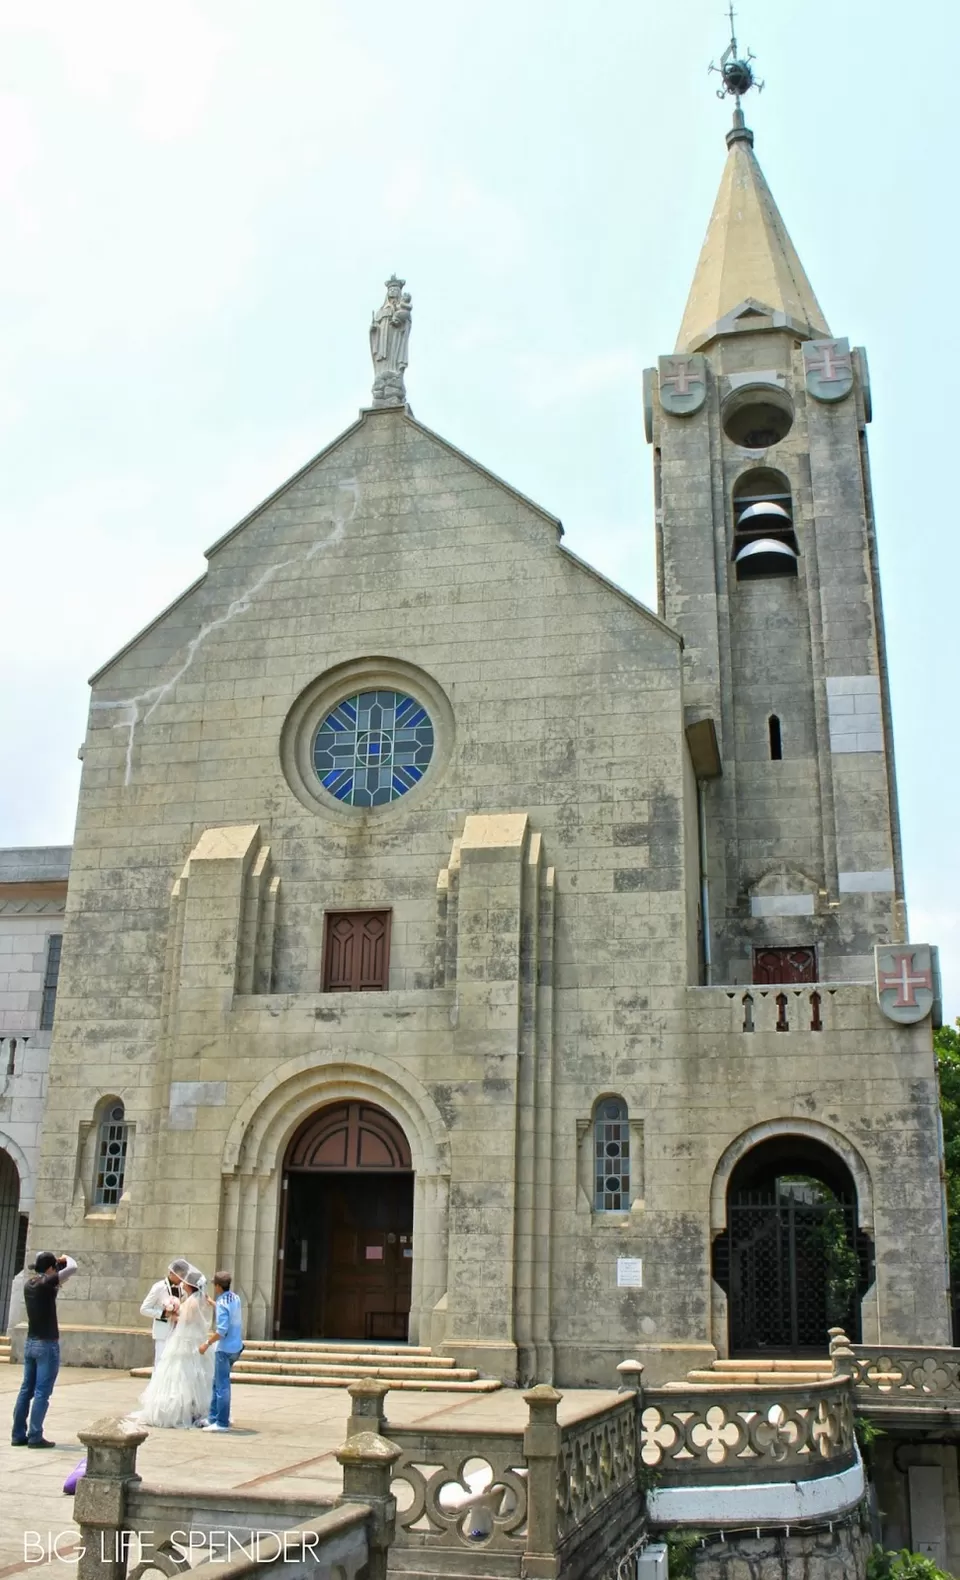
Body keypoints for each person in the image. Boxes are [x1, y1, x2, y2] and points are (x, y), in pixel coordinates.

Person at [133, 1267, 214, 1429]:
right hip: (186, 1338)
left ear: (190, 1285)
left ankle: (179, 1411)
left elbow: (187, 1319)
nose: (183, 1282)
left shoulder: (191, 1301)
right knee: (185, 1373)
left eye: (186, 1280)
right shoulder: (195, 1298)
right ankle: (191, 1408)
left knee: (179, 1374)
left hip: (184, 1340)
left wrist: (173, 1312)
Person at [11, 1250, 77, 1448]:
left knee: (26, 1390)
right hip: (46, 1344)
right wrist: (64, 1259)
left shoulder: (29, 1284)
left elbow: (54, 1281)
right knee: (42, 1392)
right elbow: (73, 1267)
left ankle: (18, 1434)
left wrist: (53, 1265)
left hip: (31, 1342)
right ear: (50, 1268)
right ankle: (35, 1436)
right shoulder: (47, 1283)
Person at [200, 1270, 244, 1432]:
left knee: (222, 1386)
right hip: (236, 1346)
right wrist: (212, 1303)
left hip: (224, 1349)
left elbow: (221, 1331)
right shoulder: (235, 1298)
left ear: (218, 1286)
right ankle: (213, 1417)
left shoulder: (223, 1303)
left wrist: (206, 1344)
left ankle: (222, 1422)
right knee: (216, 1382)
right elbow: (227, 1309)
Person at [140, 1258, 190, 1370]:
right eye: (180, 1275)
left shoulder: (182, 1289)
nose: (182, 1278)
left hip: (177, 1330)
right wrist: (163, 1314)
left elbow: (184, 1304)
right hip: (162, 1331)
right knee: (161, 1362)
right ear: (172, 1273)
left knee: (174, 1365)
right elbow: (144, 1309)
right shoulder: (159, 1287)